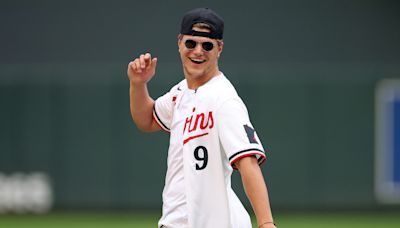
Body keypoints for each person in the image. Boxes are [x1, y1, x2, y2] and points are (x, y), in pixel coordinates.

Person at [127, 7, 276, 228]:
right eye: (191, 43)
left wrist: (266, 223)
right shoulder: (180, 93)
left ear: (219, 49)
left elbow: (248, 163)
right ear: (179, 43)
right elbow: (146, 120)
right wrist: (138, 84)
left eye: (207, 45)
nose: (198, 51)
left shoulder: (224, 99)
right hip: (176, 220)